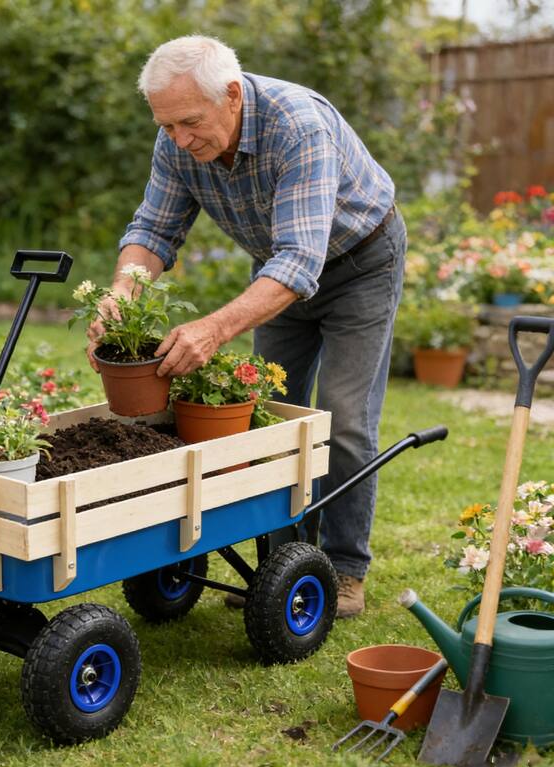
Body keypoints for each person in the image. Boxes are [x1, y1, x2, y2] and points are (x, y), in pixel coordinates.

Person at [86, 35, 406, 618]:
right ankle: (287, 568)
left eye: (188, 122)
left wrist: (213, 328)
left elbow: (300, 261)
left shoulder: (298, 126)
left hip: (359, 262)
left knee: (345, 419)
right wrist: (122, 292)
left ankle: (345, 569)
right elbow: (154, 230)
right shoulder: (176, 140)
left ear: (232, 96)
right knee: (269, 415)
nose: (179, 139)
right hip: (277, 269)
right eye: (167, 125)